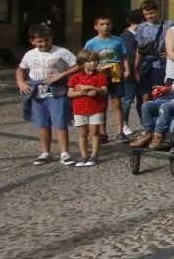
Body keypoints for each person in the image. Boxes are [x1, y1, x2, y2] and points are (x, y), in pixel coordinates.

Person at [17, 23, 79, 165]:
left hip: (57, 91)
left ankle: (65, 153)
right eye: (39, 41)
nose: (44, 44)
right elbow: (20, 69)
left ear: (51, 38)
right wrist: (21, 82)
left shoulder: (61, 52)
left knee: (60, 121)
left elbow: (78, 65)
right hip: (37, 92)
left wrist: (61, 75)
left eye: (47, 40)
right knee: (42, 123)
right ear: (32, 41)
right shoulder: (29, 54)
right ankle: (45, 152)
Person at [83, 14, 127, 143]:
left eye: (108, 24)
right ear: (96, 27)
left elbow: (123, 56)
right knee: (101, 105)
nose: (105, 27)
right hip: (99, 76)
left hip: (115, 75)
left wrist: (127, 70)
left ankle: (120, 131)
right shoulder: (91, 43)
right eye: (102, 24)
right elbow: (85, 59)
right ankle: (102, 132)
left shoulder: (118, 40)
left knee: (117, 103)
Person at [66, 51, 108, 167]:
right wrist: (83, 92)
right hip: (79, 109)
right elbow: (70, 94)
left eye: (95, 61)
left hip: (96, 109)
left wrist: (91, 87)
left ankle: (94, 156)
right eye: (89, 61)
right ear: (82, 63)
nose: (93, 63)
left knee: (94, 132)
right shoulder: (75, 77)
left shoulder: (100, 76)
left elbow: (104, 91)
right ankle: (84, 156)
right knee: (82, 133)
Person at [134, 0, 171, 104]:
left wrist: (169, 53)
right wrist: (136, 66)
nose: (149, 16)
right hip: (145, 63)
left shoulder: (168, 25)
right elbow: (139, 46)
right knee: (145, 92)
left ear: (157, 11)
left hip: (161, 63)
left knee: (158, 91)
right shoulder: (141, 27)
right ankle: (146, 115)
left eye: (151, 13)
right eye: (146, 14)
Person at [118, 8, 144, 138]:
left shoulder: (140, 33)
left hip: (142, 70)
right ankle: (124, 124)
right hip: (132, 72)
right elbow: (129, 56)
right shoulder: (127, 36)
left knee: (142, 99)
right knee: (127, 100)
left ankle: (144, 124)